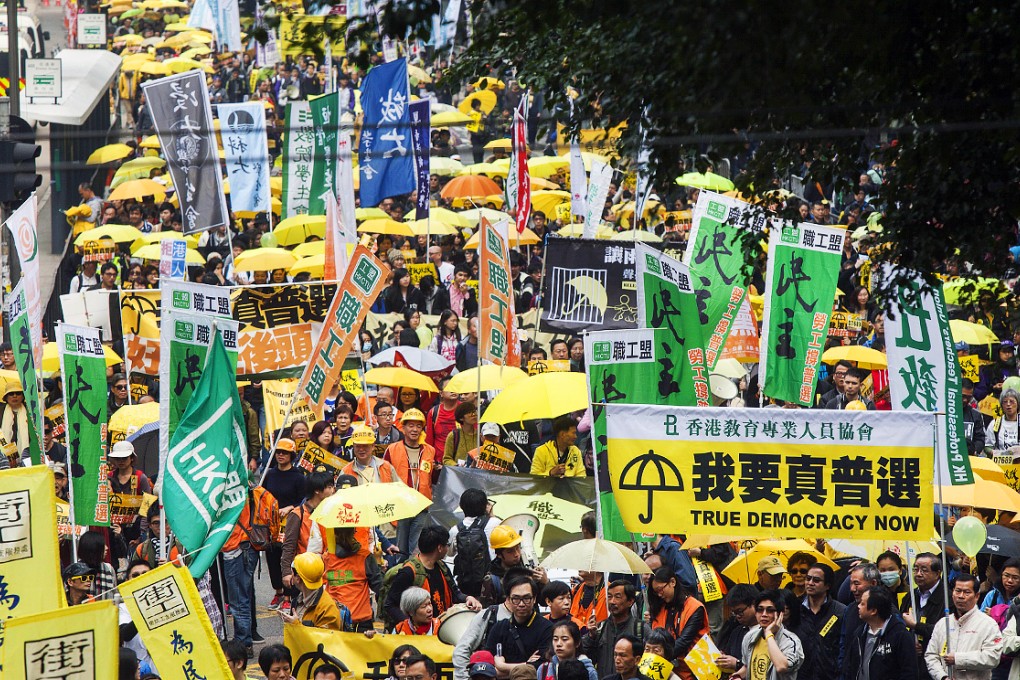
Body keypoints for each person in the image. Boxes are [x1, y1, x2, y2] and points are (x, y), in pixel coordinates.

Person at [384, 525, 482, 624]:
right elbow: (390, 604)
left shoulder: (441, 566)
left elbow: (455, 593)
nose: (448, 548)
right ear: (439, 547)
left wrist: (468, 598)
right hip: (421, 635)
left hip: (440, 628)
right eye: (447, 544)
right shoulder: (408, 573)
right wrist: (410, 625)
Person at [925, 574, 1004, 680]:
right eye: (958, 591)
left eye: (967, 592)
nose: (961, 596)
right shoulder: (943, 623)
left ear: (977, 596)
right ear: (952, 593)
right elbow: (931, 656)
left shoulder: (988, 624)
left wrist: (958, 659)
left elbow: (992, 658)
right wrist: (942, 677)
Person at [385, 408, 440, 557]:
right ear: (403, 427)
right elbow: (385, 477)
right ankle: (400, 575)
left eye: (418, 426)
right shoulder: (392, 449)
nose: (414, 430)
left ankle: (414, 575)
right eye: (411, 425)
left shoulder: (430, 451)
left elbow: (432, 479)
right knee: (399, 547)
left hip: (421, 505)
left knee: (416, 548)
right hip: (400, 505)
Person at [281, 471, 336, 616]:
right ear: (317, 490)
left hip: (326, 571)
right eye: (329, 487)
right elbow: (288, 545)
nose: (333, 490)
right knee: (304, 611)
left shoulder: (330, 511)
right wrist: (286, 572)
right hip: (305, 572)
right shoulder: (298, 514)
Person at [262, 438, 306, 610]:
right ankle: (278, 592)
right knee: (271, 557)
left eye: (284, 452)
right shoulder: (270, 473)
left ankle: (289, 594)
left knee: (287, 556)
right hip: (271, 523)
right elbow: (263, 495)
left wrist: (290, 507)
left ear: (291, 455)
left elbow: (303, 499)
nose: (280, 455)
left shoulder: (298, 476)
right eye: (278, 452)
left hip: (290, 523)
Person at [649, 566, 709, 679]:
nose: (659, 594)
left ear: (673, 582)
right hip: (663, 667)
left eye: (661, 589)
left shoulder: (695, 607)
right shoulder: (659, 607)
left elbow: (684, 641)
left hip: (694, 669)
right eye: (656, 592)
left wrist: (660, 655)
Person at [845, 586, 918, 680]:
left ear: (873, 611)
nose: (858, 606)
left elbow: (909, 672)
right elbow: (850, 668)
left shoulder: (900, 635)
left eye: (862, 604)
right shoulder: (859, 634)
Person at [485, 576, 554, 674]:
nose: (521, 604)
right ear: (508, 600)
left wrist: (502, 666)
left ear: (534, 599)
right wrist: (526, 665)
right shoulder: (499, 628)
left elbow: (541, 668)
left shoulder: (547, 628)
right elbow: (487, 668)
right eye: (516, 599)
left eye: (526, 598)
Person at [582, 579, 649, 673]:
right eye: (609, 597)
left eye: (617, 597)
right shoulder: (600, 627)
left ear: (630, 601)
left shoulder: (641, 629)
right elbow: (587, 658)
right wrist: (591, 637)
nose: (612, 601)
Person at [737, 590, 804, 680]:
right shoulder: (750, 636)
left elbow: (782, 667)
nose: (764, 614)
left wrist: (769, 634)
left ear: (781, 614)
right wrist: (737, 676)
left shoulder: (791, 641)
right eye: (760, 610)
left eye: (770, 610)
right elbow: (747, 666)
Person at [481, 525, 549, 607]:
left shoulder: (530, 570)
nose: (516, 554)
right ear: (499, 554)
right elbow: (487, 612)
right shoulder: (491, 580)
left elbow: (545, 602)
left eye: (518, 548)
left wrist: (545, 583)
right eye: (510, 551)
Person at [450, 488, 502, 597]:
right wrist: (491, 515)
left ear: (462, 506)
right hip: (492, 581)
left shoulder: (455, 530)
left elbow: (450, 553)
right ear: (485, 506)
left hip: (466, 584)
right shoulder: (495, 523)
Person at [797, 564, 845, 680]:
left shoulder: (840, 612)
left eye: (816, 580)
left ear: (827, 585)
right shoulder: (795, 609)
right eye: (808, 579)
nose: (810, 583)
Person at [900, 552, 946, 672]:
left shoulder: (947, 598)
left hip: (937, 664)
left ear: (937, 573)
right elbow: (899, 626)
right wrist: (909, 643)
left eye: (924, 570)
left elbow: (944, 632)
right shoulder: (910, 596)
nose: (918, 574)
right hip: (911, 663)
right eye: (916, 569)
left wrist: (916, 626)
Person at [107, 440, 153, 550]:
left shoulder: (141, 478)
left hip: (135, 529)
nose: (121, 461)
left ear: (131, 458)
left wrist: (141, 534)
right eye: (118, 458)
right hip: (113, 527)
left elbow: (147, 506)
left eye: (124, 458)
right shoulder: (108, 477)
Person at [280, 552, 343, 631]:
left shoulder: (327, 609)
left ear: (298, 578)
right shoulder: (298, 600)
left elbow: (324, 640)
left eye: (292, 573)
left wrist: (295, 625)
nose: (291, 575)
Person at [718, 585, 761, 677]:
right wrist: (723, 658)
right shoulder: (737, 632)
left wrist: (737, 664)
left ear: (754, 604)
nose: (738, 616)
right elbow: (729, 652)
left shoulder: (767, 633)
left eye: (740, 611)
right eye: (734, 613)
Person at [986, 389, 1020, 457]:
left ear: (1018, 404)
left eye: (1012, 401)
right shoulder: (995, 423)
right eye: (1005, 402)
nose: (1008, 404)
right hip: (1001, 462)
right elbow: (987, 446)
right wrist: (993, 452)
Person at [445, 401, 480, 466]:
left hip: (477, 473)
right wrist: (457, 466)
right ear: (461, 418)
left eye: (474, 411)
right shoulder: (454, 435)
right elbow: (446, 459)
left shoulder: (480, 436)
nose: (474, 414)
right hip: (458, 473)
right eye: (469, 412)